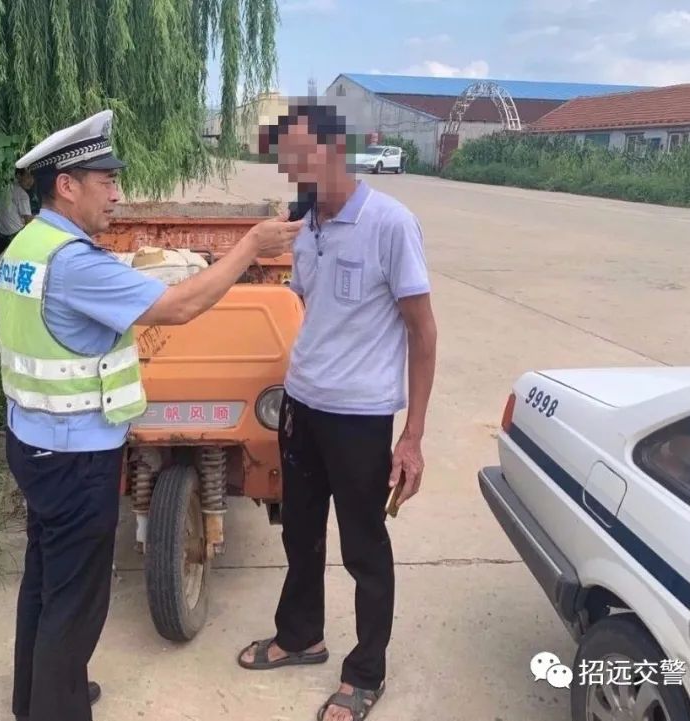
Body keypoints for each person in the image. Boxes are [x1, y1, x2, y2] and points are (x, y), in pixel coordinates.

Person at [0, 109, 304, 721]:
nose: (117, 194)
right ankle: (57, 710)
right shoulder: (75, 263)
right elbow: (180, 306)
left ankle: (35, 698)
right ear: (67, 186)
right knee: (75, 603)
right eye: (106, 181)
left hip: (32, 442)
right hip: (75, 455)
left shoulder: (29, 245)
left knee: (45, 579)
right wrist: (249, 246)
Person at [236, 102, 438, 721]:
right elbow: (306, 304)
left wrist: (413, 437)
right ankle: (301, 636)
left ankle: (366, 672)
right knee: (299, 533)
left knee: (363, 548)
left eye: (304, 156)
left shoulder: (390, 224)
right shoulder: (306, 226)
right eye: (287, 160)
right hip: (302, 408)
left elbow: (423, 332)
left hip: (360, 419)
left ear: (338, 151)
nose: (296, 170)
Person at [0, 168, 36, 249]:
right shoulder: (23, 195)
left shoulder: (6, 187)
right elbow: (28, 221)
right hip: (13, 235)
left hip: (0, 232)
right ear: (18, 176)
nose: (31, 181)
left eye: (33, 177)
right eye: (28, 176)